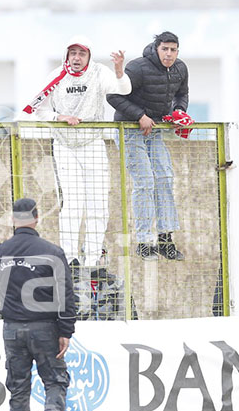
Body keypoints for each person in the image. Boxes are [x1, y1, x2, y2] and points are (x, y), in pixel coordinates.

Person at [22, 36, 131, 274]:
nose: (76, 58)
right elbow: (36, 109)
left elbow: (124, 90)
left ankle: (92, 257)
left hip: (93, 144)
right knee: (72, 203)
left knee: (98, 202)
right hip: (65, 146)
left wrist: (119, 70)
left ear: (89, 56)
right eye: (72, 53)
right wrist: (59, 117)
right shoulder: (56, 75)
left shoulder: (99, 73)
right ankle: (70, 257)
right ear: (66, 55)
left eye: (81, 53)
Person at [0, 198, 77, 411]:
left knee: (19, 390)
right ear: (36, 218)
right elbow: (66, 294)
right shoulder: (51, 252)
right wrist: (66, 330)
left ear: (13, 219)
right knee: (56, 381)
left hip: (12, 329)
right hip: (45, 328)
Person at [107, 31, 189, 261]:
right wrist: (140, 115)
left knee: (165, 177)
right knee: (145, 182)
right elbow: (113, 96)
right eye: (165, 49)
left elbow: (182, 94)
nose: (169, 54)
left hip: (155, 132)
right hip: (129, 130)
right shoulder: (139, 67)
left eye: (173, 50)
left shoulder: (180, 69)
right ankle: (144, 241)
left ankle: (165, 238)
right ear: (156, 48)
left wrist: (179, 111)